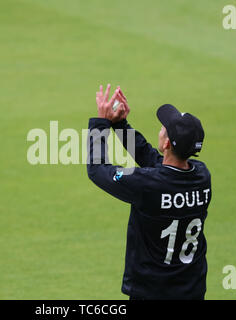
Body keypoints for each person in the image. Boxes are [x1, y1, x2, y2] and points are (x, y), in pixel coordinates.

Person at [86, 84, 212, 300]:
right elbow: (155, 162)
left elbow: (97, 170)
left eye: (164, 127)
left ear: (165, 143)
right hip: (191, 292)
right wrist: (121, 125)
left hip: (152, 293)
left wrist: (101, 123)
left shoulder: (147, 185)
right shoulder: (202, 176)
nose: (161, 127)